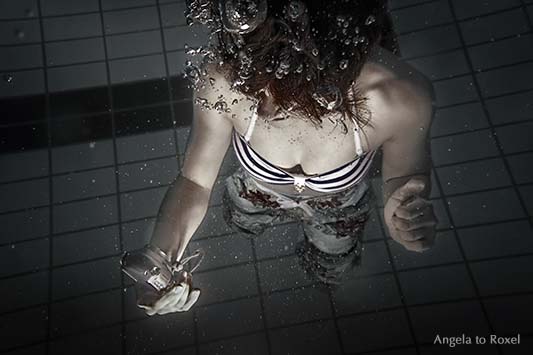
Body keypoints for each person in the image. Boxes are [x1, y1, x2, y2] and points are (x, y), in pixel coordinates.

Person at [130, 0, 437, 316]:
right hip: (256, 189)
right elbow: (195, 182)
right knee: (242, 220)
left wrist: (405, 215)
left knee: (332, 268)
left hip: (339, 203)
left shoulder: (400, 97)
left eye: (276, 92)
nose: (257, 101)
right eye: (255, 83)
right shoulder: (226, 79)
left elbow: (403, 180)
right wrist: (160, 259)